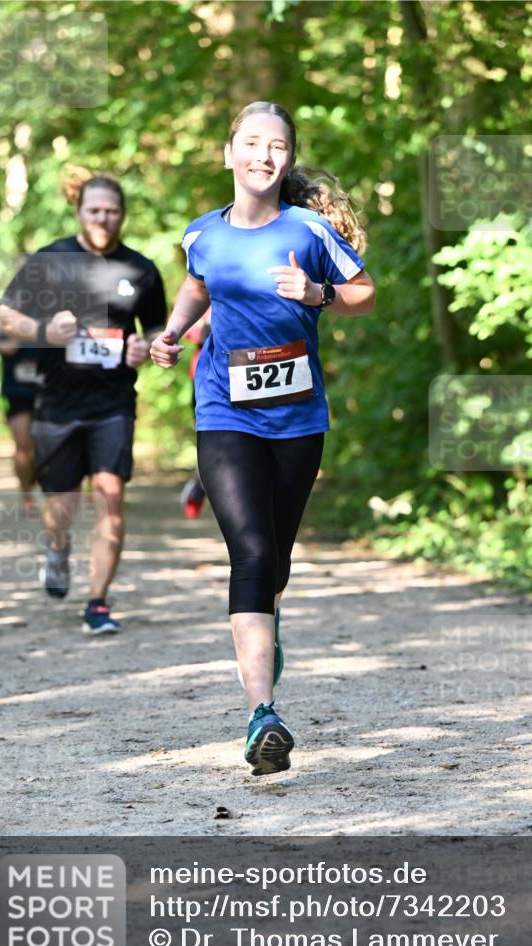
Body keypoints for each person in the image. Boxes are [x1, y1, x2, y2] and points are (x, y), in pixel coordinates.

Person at [151, 101, 375, 775]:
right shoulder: (201, 235)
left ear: (286, 159)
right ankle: (262, 713)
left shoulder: (307, 230)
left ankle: (263, 634)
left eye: (276, 145)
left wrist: (317, 294)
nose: (263, 155)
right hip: (224, 412)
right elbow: (197, 285)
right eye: (250, 142)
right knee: (248, 551)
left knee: (273, 560)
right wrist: (170, 331)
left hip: (298, 418)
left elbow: (362, 290)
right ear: (229, 154)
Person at [0, 173, 167, 635]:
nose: (103, 219)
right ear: (79, 212)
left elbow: (157, 330)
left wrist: (144, 348)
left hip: (113, 402)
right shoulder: (50, 260)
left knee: (111, 495)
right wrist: (44, 333)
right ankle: (57, 548)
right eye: (95, 210)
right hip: (57, 403)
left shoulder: (141, 268)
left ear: (122, 215)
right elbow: (6, 316)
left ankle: (97, 603)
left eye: (111, 211)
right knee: (62, 508)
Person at [0, 300, 41, 516]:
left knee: (51, 445)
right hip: (16, 389)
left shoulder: (56, 303)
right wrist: (4, 346)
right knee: (23, 445)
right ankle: (27, 496)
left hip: (51, 388)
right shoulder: (1, 308)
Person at [180, 307, 211, 518]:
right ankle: (201, 482)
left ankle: (202, 482)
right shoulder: (201, 281)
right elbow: (184, 325)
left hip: (250, 376)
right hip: (205, 378)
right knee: (209, 438)